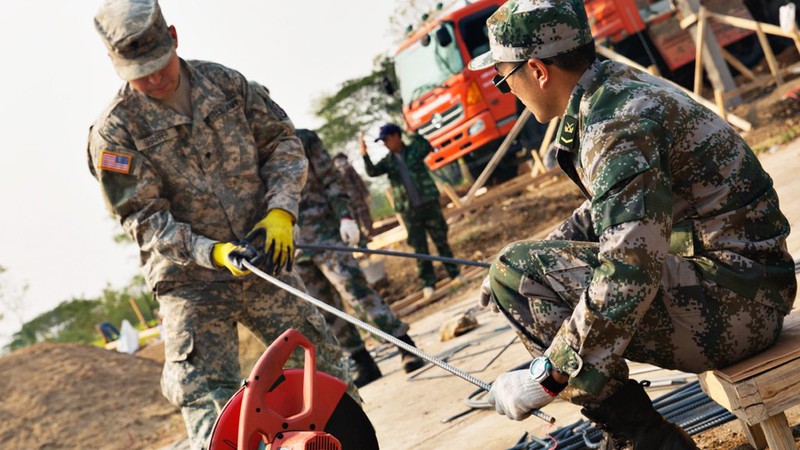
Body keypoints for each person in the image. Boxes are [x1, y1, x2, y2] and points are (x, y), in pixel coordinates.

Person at [469, 0, 797, 448]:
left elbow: (629, 264)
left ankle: (644, 440)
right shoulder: (615, 91)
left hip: (739, 309)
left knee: (518, 272)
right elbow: (614, 211)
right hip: (748, 285)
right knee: (520, 271)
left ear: (538, 71)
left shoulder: (615, 125)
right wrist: (541, 258)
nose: (511, 92)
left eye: (505, 80)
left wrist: (548, 374)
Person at [86, 1, 356, 448]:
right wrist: (209, 252)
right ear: (114, 64)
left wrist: (281, 213)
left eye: (159, 64)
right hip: (190, 283)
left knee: (319, 373)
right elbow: (143, 217)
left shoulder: (227, 85)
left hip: (264, 258)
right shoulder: (115, 132)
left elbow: (283, 145)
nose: (153, 79)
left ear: (174, 36)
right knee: (209, 402)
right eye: (139, 71)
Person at [294, 129, 426, 384]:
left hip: (325, 232)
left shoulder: (302, 138)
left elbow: (332, 180)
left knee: (356, 292)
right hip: (292, 245)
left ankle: (404, 345)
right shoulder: (246, 152)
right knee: (322, 307)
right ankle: (361, 360)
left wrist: (345, 215)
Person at [361, 125, 462, 299]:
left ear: (396, 136)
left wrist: (412, 132)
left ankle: (455, 274)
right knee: (419, 247)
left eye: (387, 139)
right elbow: (372, 172)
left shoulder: (414, 151)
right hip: (409, 210)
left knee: (441, 240)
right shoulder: (388, 161)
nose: (385, 144)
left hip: (429, 203)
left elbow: (426, 146)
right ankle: (428, 284)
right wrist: (364, 153)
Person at [333, 152, 374, 242]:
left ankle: (363, 241)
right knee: (363, 220)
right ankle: (365, 239)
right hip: (356, 199)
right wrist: (365, 194)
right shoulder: (347, 169)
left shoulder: (336, 173)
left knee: (357, 222)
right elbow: (358, 182)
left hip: (349, 202)